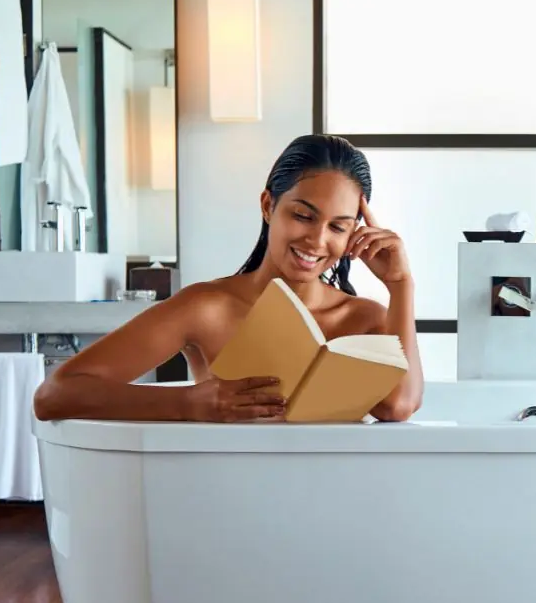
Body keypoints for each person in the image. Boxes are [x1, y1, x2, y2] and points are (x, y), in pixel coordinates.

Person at [32, 134, 424, 423]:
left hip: (331, 501)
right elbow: (55, 394)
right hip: (228, 496)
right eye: (303, 216)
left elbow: (398, 407)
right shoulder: (206, 308)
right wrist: (187, 404)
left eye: (338, 227)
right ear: (269, 205)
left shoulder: (366, 318)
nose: (317, 240)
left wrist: (401, 285)